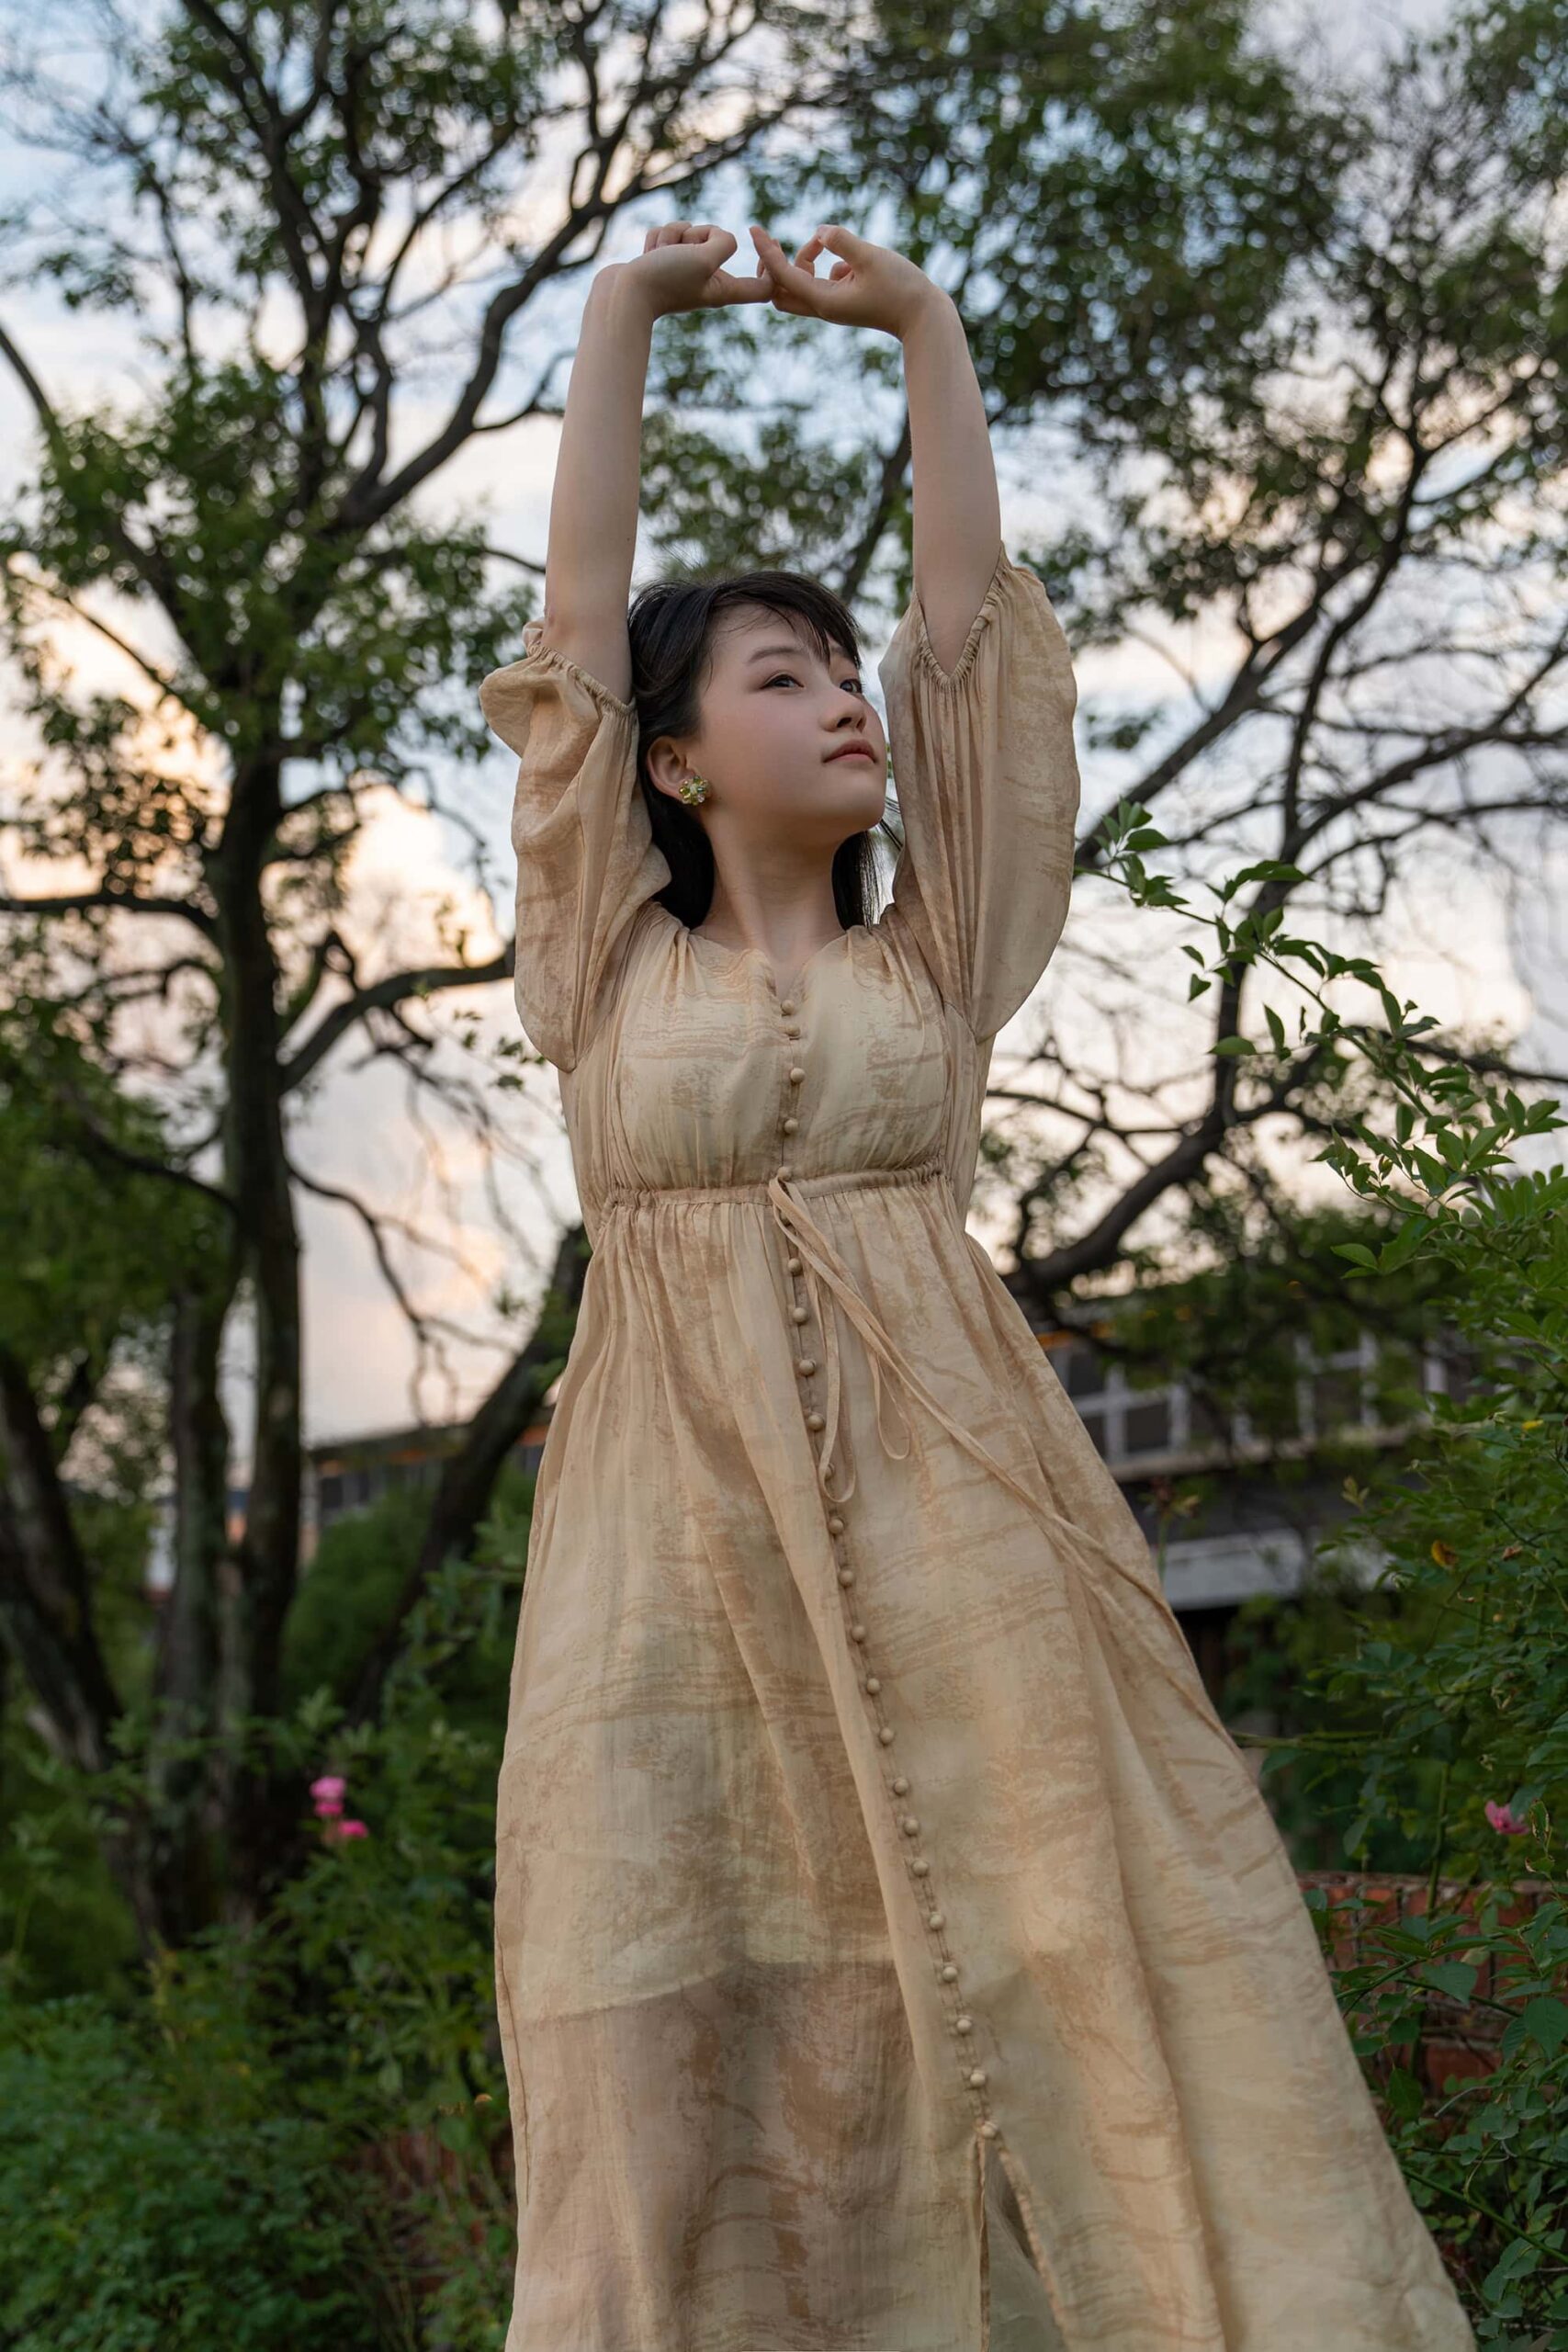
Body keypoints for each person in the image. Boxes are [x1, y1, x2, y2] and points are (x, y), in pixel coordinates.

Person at [479, 220, 1475, 2352]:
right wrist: (625, 314)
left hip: (968, 1520)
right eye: (775, 674)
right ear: (669, 760)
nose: (838, 697)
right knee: (710, 2000)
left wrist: (928, 329)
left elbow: (965, 651)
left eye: (832, 670)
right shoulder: (597, 963)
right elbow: (570, 637)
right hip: (675, 1554)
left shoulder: (927, 960)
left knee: (1059, 1943)